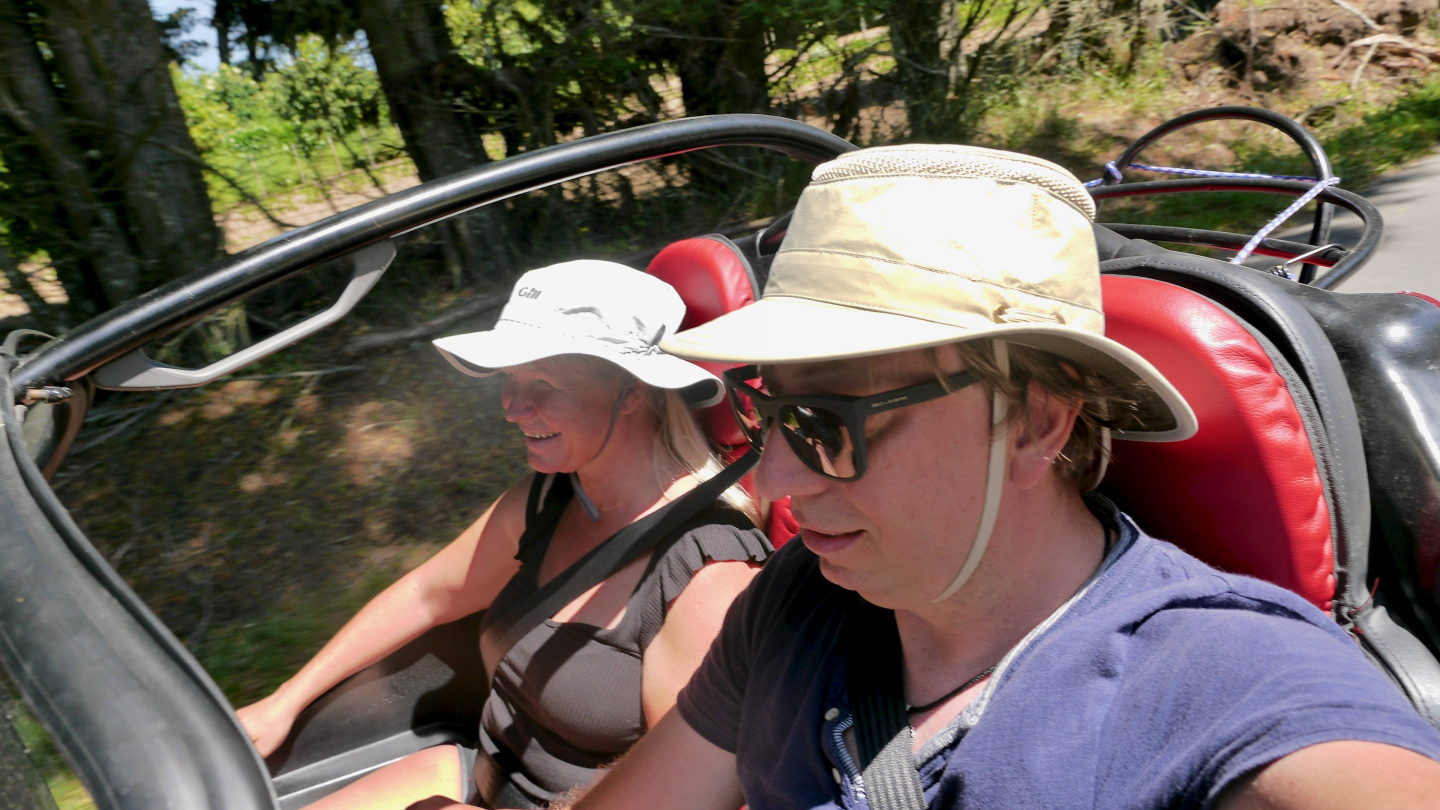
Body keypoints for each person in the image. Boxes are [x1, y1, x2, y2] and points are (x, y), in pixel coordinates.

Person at [515, 145, 1440, 810]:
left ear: (1035, 421)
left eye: (830, 423)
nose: (780, 480)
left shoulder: (1219, 684)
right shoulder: (801, 601)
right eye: (771, 412)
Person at [236, 260, 772, 809]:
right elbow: (430, 594)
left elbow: (695, 797)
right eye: (510, 379)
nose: (513, 408)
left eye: (543, 383)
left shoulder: (708, 574)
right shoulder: (548, 499)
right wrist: (284, 700)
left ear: (631, 390)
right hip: (472, 778)